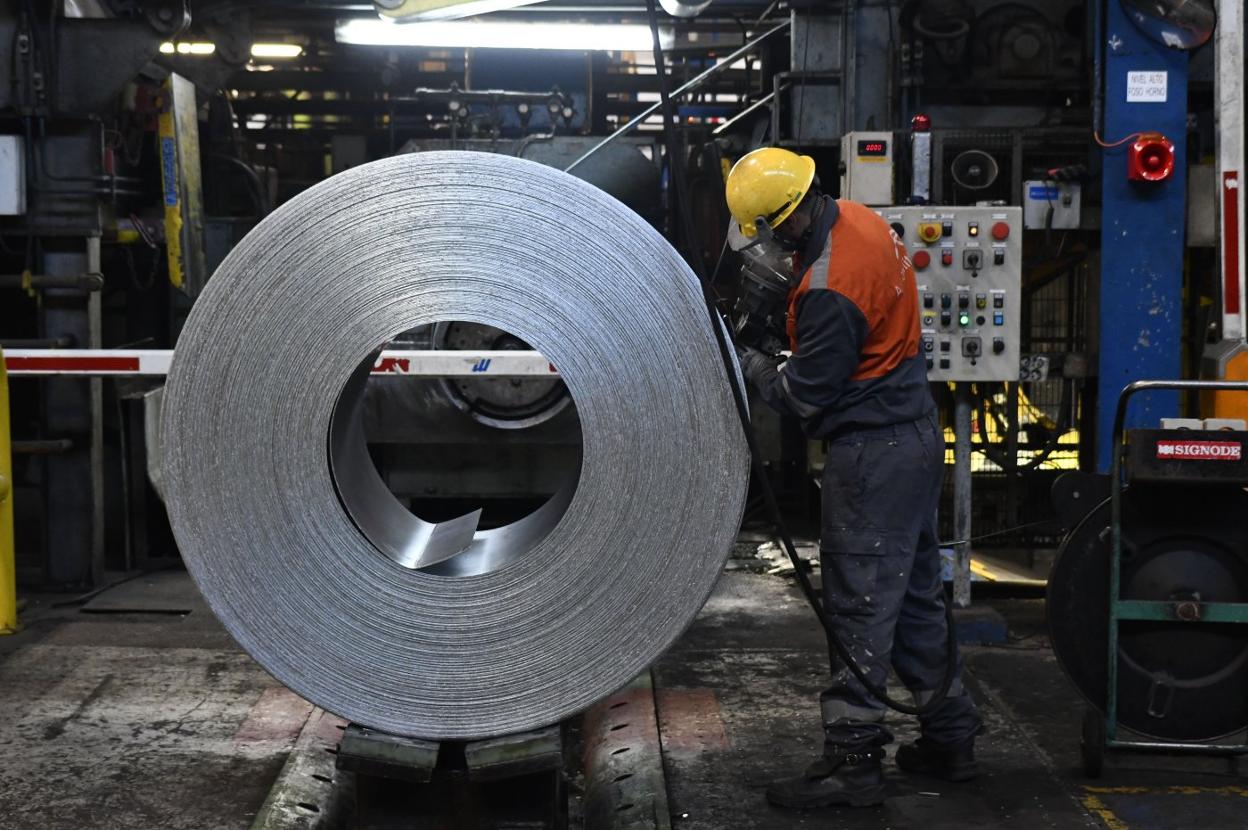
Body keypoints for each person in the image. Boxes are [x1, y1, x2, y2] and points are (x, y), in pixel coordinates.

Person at [724, 147, 983, 809]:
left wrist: (748, 363)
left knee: (859, 604)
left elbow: (807, 398)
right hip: (912, 432)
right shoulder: (860, 220)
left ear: (784, 224)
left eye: (766, 235)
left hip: (873, 455)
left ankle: (853, 762)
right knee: (918, 597)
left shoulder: (829, 290)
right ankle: (951, 738)